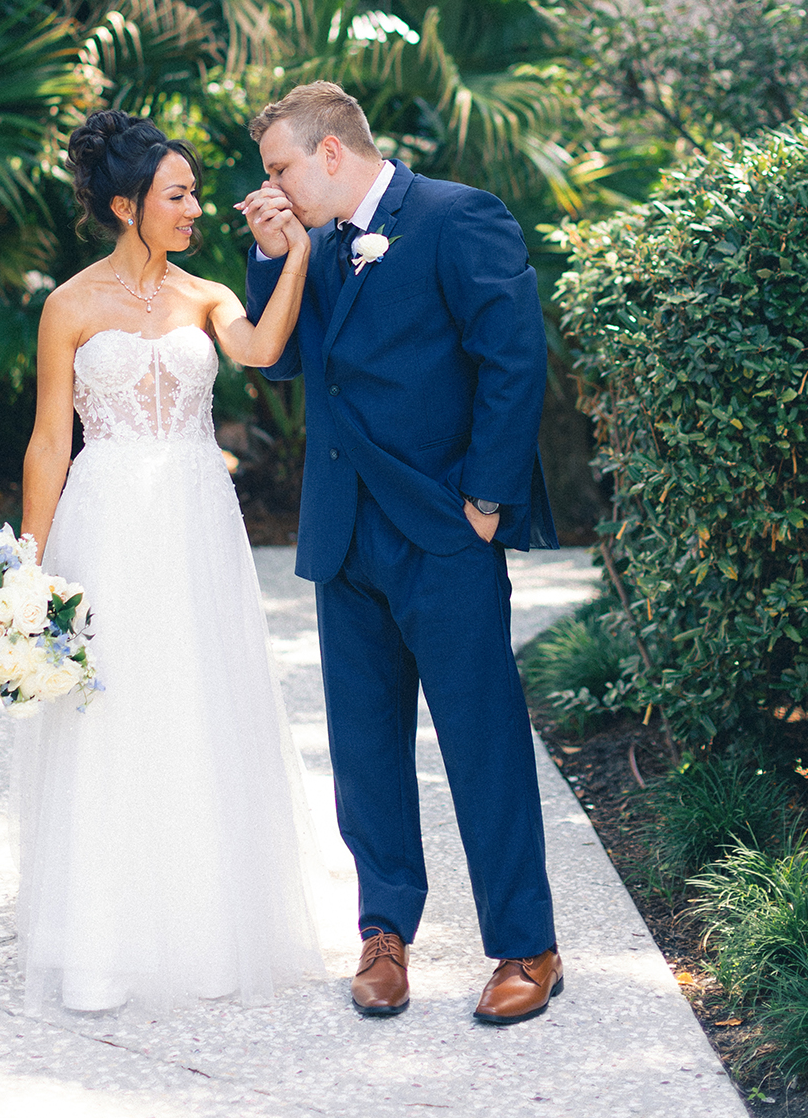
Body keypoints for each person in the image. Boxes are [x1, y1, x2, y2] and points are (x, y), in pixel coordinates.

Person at [240, 81, 563, 1025]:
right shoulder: (316, 243)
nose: (274, 188)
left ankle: (528, 946)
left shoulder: (460, 218)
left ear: (331, 152)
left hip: (444, 533)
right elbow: (285, 357)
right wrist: (272, 260)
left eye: (279, 170)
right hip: (346, 536)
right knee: (365, 752)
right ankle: (385, 934)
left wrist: (488, 501)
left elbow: (514, 357)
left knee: (483, 742)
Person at [15, 109, 322, 1016]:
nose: (195, 207)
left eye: (192, 192)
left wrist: (295, 253)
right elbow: (47, 443)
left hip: (194, 515)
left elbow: (264, 350)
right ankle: (101, 944)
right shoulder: (67, 305)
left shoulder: (206, 294)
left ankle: (209, 931)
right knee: (112, 711)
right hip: (105, 518)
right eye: (177, 195)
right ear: (125, 205)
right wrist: (28, 572)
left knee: (195, 698)